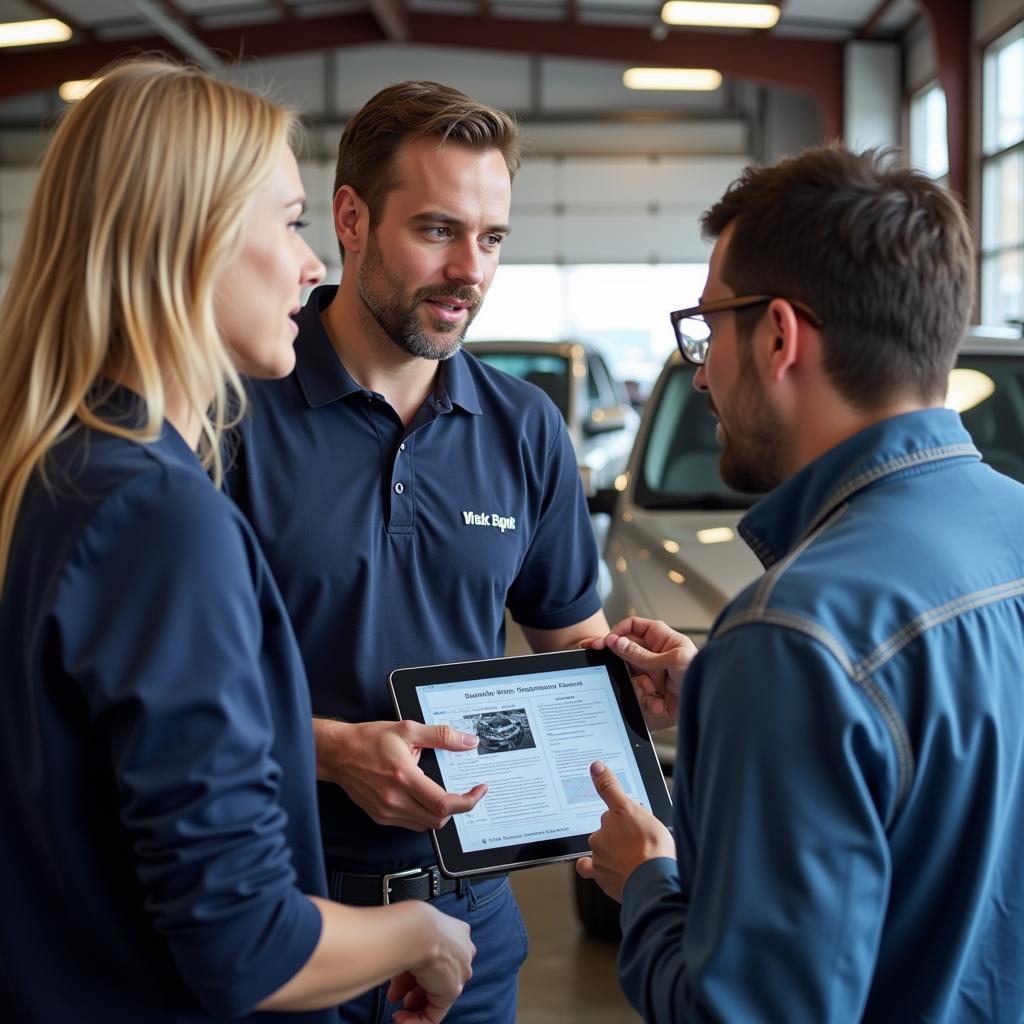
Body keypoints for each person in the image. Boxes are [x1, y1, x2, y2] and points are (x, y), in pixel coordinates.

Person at [0, 60, 476, 1023]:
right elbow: (246, 943)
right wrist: (424, 932)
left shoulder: (56, 471)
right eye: (292, 221)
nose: (312, 266)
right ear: (194, 239)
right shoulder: (157, 517)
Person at [577, 145, 1024, 1022]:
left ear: (779, 335)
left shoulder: (790, 635)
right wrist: (723, 687)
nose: (700, 370)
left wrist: (646, 881)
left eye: (709, 328)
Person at [226, 80, 608, 1022]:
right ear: (350, 219)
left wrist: (642, 685)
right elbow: (166, 693)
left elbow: (573, 648)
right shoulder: (232, 412)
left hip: (468, 919)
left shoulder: (524, 427)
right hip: (279, 909)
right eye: (438, 230)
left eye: (491, 239)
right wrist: (331, 753)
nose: (469, 269)